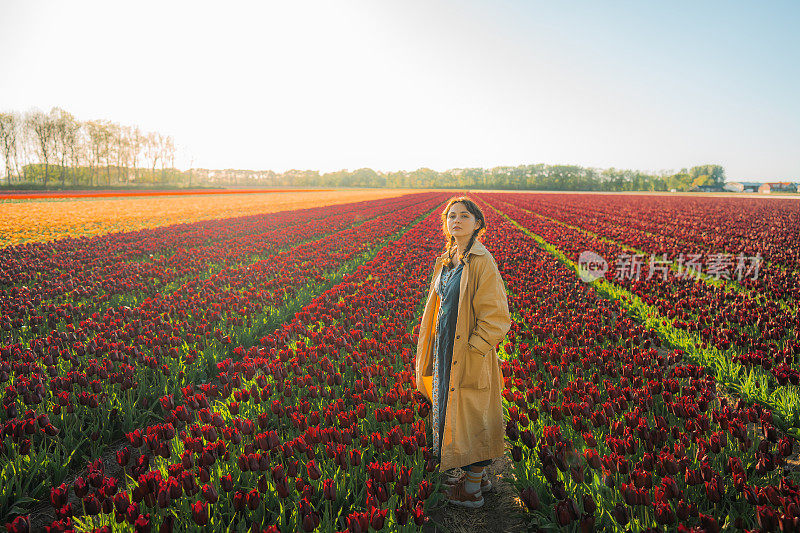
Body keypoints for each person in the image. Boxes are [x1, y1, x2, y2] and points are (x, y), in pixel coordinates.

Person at [415, 196, 512, 508]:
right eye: (451, 216)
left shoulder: (482, 261)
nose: (456, 220)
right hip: (446, 351)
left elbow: (497, 318)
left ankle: (472, 492)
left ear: (478, 223)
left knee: (474, 415)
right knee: (454, 412)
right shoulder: (448, 259)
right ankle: (477, 478)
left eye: (464, 216)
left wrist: (474, 348)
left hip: (468, 353)